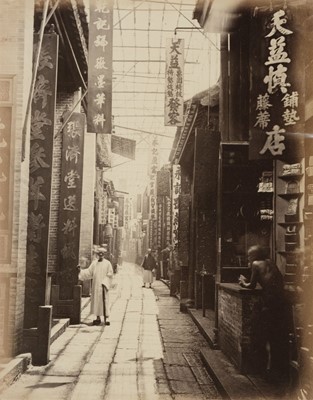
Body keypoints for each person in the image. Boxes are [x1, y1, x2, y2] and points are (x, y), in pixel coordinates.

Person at [239, 245, 289, 379]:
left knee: (263, 334)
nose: (248, 258)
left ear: (254, 256)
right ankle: (278, 368)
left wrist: (243, 282)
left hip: (268, 304)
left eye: (249, 255)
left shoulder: (255, 264)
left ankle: (264, 369)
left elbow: (252, 285)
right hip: (282, 303)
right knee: (277, 337)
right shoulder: (271, 262)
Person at [78, 247, 113, 326]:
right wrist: (81, 271)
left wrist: (105, 282)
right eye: (99, 254)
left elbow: (110, 274)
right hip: (96, 285)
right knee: (97, 301)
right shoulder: (94, 263)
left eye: (102, 254)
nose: (100, 255)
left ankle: (106, 317)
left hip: (104, 286)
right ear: (97, 255)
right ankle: (98, 318)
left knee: (105, 301)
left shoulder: (108, 263)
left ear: (104, 255)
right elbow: (89, 272)